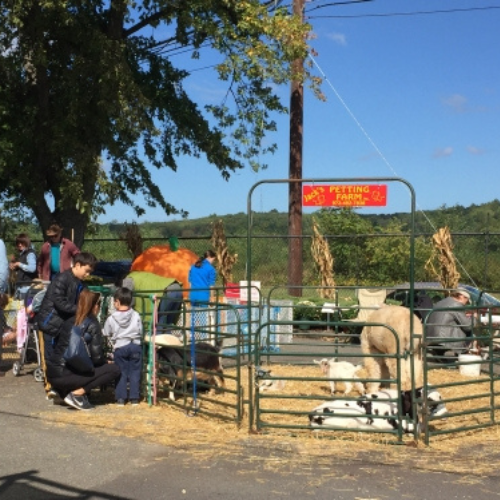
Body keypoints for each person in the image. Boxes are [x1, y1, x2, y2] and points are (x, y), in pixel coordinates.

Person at [45, 289, 121, 410]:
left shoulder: (69, 320)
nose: (99, 307)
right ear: (94, 306)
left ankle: (60, 391)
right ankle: (77, 394)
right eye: (99, 304)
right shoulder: (92, 323)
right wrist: (106, 362)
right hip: (67, 375)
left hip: (52, 373)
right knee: (114, 369)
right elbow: (97, 358)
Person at [36, 252, 98, 362]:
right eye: (87, 271)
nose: (88, 274)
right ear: (78, 265)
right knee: (51, 357)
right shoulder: (62, 278)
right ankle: (50, 377)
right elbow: (60, 303)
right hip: (50, 323)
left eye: (90, 272)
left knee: (61, 355)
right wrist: (81, 310)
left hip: (63, 324)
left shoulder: (79, 283)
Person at [103, 287, 143, 406]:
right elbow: (140, 330)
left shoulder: (111, 318)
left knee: (121, 372)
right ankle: (134, 398)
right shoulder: (136, 315)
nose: (114, 303)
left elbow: (106, 332)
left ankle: (121, 398)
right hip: (135, 345)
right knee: (135, 372)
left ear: (118, 302)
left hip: (120, 346)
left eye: (114, 301)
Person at [426, 288, 476, 360]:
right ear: (461, 296)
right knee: (469, 332)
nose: (465, 303)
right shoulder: (456, 305)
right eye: (466, 300)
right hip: (442, 338)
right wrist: (474, 318)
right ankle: (462, 356)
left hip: (431, 336)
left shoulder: (443, 302)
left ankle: (439, 352)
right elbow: (467, 326)